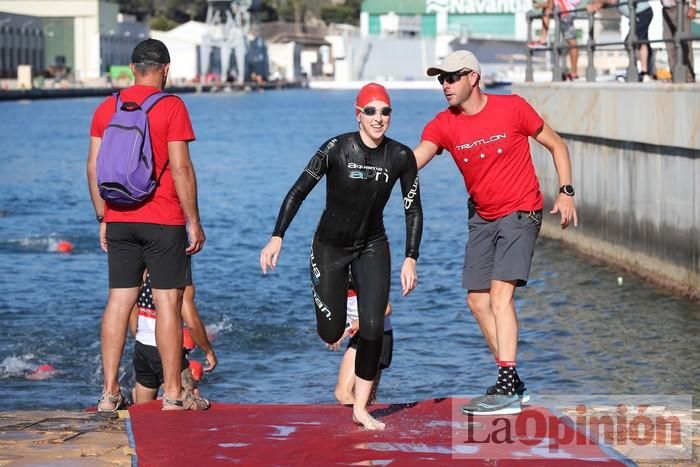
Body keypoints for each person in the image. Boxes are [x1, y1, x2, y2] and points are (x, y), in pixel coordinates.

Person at [413, 50, 577, 415]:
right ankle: (513, 382)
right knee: (477, 300)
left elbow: (557, 145)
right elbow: (414, 160)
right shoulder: (443, 124)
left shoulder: (512, 108)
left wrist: (566, 192)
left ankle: (505, 385)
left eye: (451, 77)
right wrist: (373, 165)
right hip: (482, 217)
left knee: (501, 298)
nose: (445, 85)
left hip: (521, 210)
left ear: (473, 76)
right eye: (441, 78)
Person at [260, 82, 423, 430]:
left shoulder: (400, 157)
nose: (379, 118)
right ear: (358, 114)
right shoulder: (335, 148)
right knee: (331, 331)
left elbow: (413, 210)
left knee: (374, 327)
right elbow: (298, 191)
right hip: (329, 248)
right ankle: (330, 320)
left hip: (372, 245)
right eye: (371, 111)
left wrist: (411, 257)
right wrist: (277, 236)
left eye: (385, 111)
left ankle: (361, 408)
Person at [87, 38, 206, 411]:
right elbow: (182, 167)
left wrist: (103, 216)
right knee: (168, 302)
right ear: (166, 70)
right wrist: (194, 222)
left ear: (132, 67)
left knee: (119, 300)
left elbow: (93, 167)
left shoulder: (108, 106)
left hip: (120, 217)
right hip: (162, 218)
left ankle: (109, 393)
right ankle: (173, 393)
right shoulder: (172, 106)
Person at [128, 274, 216, 406]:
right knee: (189, 400)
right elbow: (192, 323)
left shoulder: (142, 273)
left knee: (143, 411)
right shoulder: (180, 278)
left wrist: (142, 337)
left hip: (142, 347)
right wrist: (208, 351)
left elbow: (133, 313)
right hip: (166, 349)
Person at [329, 277, 393, 406]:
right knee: (367, 400)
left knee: (343, 394)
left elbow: (386, 308)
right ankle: (369, 422)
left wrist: (353, 326)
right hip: (365, 335)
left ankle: (362, 418)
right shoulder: (333, 272)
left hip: (377, 336)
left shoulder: (360, 273)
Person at [588, 0, 655, 81]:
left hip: (642, 12)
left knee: (631, 42)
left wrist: (598, 2)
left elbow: (613, 1)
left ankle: (636, 70)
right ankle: (644, 72)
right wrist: (597, 5)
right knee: (641, 41)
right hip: (640, 13)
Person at [661, 0, 696, 82]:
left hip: (682, 7)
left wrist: (693, 6)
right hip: (666, 9)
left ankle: (688, 75)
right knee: (669, 43)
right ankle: (675, 74)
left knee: (686, 43)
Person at [554, 0, 581, 80]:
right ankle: (573, 72)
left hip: (565, 12)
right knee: (571, 42)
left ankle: (574, 72)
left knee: (572, 42)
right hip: (566, 12)